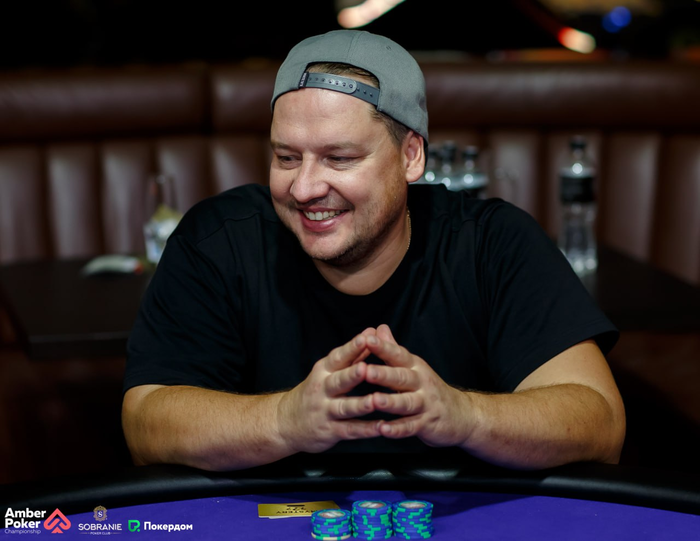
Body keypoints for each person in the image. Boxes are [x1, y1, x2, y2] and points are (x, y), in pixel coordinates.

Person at [122, 30, 625, 472]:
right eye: (286, 157)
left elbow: (600, 422)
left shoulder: (492, 243)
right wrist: (285, 419)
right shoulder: (217, 242)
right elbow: (146, 423)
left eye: (339, 158)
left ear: (411, 156)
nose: (304, 188)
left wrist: (465, 415)